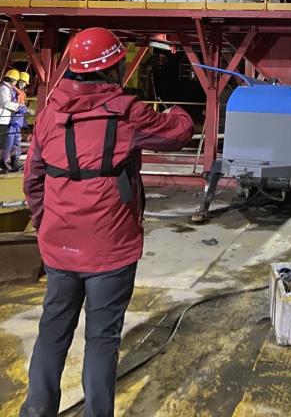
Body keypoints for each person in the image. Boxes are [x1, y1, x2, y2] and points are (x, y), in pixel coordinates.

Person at [20, 27, 194, 417]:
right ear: (112, 69)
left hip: (59, 248)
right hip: (110, 252)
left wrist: (46, 224)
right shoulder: (127, 113)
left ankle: (37, 411)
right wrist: (178, 110)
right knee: (101, 340)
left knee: (53, 330)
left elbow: (32, 179)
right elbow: (179, 132)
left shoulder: (49, 113)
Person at [7, 70, 32, 171]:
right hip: (13, 120)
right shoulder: (14, 92)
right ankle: (9, 162)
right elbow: (14, 105)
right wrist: (26, 110)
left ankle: (14, 162)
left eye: (24, 82)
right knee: (11, 142)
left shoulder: (19, 92)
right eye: (22, 82)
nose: (23, 84)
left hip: (17, 120)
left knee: (15, 142)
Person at [0, 68, 22, 173]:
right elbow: (6, 103)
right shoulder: (4, 89)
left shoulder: (7, 88)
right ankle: (3, 163)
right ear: (12, 80)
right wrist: (18, 107)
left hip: (4, 119)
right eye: (16, 81)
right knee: (3, 143)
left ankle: (4, 164)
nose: (16, 83)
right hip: (2, 119)